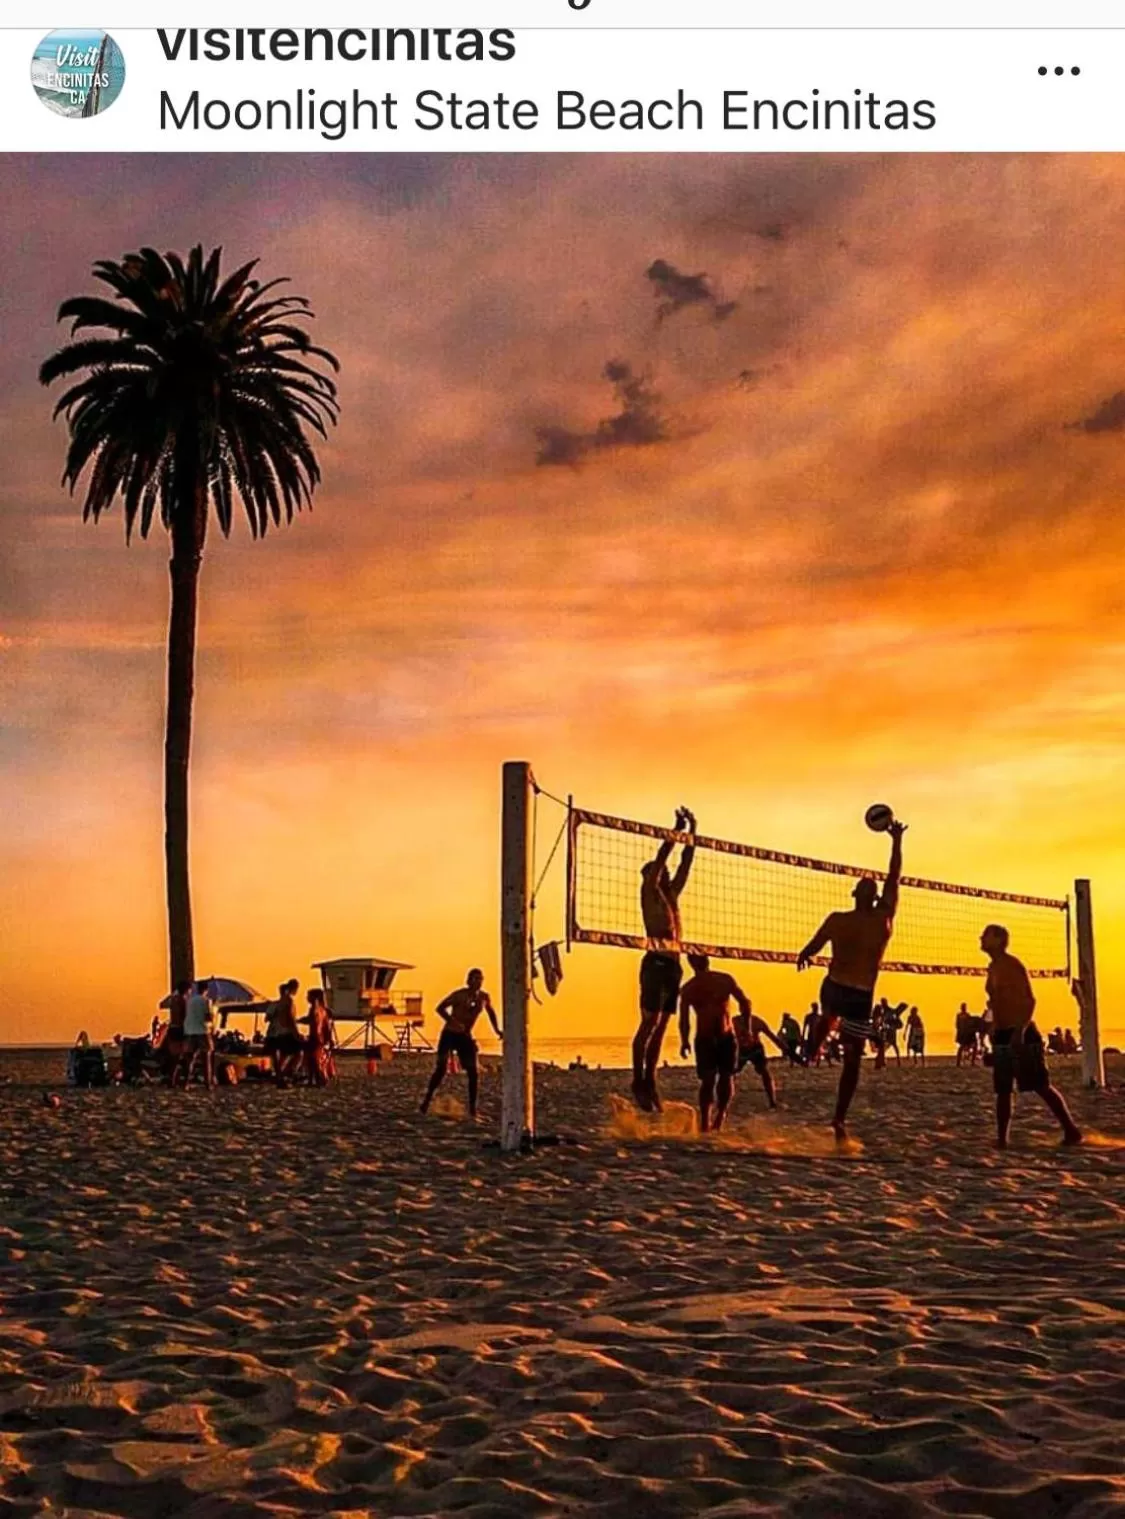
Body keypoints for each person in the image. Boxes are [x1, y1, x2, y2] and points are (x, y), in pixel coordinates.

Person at [797, 818, 906, 1141]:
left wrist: (896, 841)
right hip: (837, 985)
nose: (869, 886)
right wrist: (805, 953)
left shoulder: (882, 917)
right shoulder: (839, 919)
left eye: (870, 886)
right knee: (827, 1018)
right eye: (865, 885)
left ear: (871, 896)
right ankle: (812, 1050)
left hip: (859, 993)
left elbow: (894, 877)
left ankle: (839, 1118)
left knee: (853, 1056)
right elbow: (815, 943)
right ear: (858, 893)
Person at [981, 924, 1081, 1149]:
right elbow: (996, 1002)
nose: (981, 939)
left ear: (998, 940)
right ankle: (1002, 1139)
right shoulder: (993, 967)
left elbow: (1030, 1001)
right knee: (1003, 1088)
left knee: (1040, 1085)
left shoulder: (1011, 965)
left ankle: (1071, 1131)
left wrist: (1020, 1030)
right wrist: (992, 1029)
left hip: (1021, 1033)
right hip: (1003, 1033)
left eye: (986, 935)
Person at [633, 806, 696, 1112]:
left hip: (673, 965)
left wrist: (692, 832)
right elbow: (662, 862)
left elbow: (684, 864)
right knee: (650, 1022)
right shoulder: (649, 891)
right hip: (656, 962)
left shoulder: (672, 896)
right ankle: (638, 1079)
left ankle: (652, 1078)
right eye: (660, 872)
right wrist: (674, 830)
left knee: (661, 1027)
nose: (666, 874)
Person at [421, 968, 502, 1119]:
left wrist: (497, 1030)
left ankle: (472, 1109)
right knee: (441, 1069)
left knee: (474, 1072)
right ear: (469, 980)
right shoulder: (459, 995)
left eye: (480, 979)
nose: (478, 982)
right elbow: (440, 1008)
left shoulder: (484, 998)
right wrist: (453, 1021)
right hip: (450, 1034)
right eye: (475, 979)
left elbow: (491, 1013)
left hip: (465, 1036)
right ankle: (427, 1100)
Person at [678, 953, 745, 1131]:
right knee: (708, 1080)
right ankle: (706, 1123)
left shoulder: (724, 980)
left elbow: (745, 1002)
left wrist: (748, 1026)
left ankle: (719, 1118)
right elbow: (684, 1020)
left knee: (725, 1077)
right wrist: (684, 1041)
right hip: (705, 1038)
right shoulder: (689, 989)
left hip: (726, 1036)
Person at [733, 1001, 786, 1110]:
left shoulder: (756, 1021)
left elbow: (771, 1036)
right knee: (730, 1073)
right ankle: (723, 1101)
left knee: (765, 1072)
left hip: (755, 1050)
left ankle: (772, 1101)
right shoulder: (734, 1021)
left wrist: (783, 1047)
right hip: (741, 1050)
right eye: (743, 1008)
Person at [179, 979, 216, 1089]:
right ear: (206, 990)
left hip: (190, 1030)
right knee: (206, 1058)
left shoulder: (189, 1000)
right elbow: (208, 1017)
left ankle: (186, 1083)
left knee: (190, 1058)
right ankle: (208, 1083)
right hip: (202, 1031)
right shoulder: (206, 1001)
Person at [265, 979, 303, 1084]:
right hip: (284, 1032)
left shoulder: (274, 1004)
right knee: (298, 1052)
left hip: (274, 1033)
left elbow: (267, 1018)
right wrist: (296, 1033)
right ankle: (288, 1072)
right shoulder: (288, 1002)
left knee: (279, 1055)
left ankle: (280, 1074)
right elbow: (290, 1019)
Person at [304, 988, 333, 1087]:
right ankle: (314, 1080)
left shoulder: (316, 1010)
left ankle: (320, 1079)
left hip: (316, 1038)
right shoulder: (322, 1010)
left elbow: (320, 1025)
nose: (307, 998)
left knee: (315, 1060)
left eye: (309, 996)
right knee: (312, 1060)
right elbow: (327, 1026)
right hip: (317, 1037)